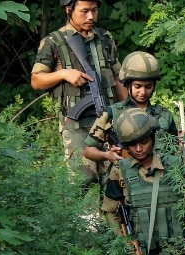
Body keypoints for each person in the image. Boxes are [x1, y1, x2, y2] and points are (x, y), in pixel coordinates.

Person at [101, 107, 185, 255]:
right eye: (132, 145)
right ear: (125, 146)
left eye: (144, 141)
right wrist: (126, 243)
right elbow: (109, 211)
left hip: (175, 252)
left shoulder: (175, 166)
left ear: (153, 138)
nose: (139, 148)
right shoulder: (120, 171)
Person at [30, 0, 127, 186]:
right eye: (84, 11)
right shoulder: (53, 41)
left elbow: (118, 78)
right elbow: (36, 80)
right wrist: (64, 74)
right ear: (69, 10)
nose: (91, 16)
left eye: (94, 10)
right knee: (82, 178)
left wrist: (127, 112)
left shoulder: (105, 38)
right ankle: (75, 215)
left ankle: (107, 214)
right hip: (76, 124)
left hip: (108, 118)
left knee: (113, 176)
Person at [83, 50, 182, 177]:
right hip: (122, 181)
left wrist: (181, 141)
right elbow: (88, 150)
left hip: (159, 179)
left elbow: (174, 151)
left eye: (148, 86)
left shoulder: (163, 115)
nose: (143, 92)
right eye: (137, 86)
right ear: (127, 85)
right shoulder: (113, 113)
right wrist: (106, 155)